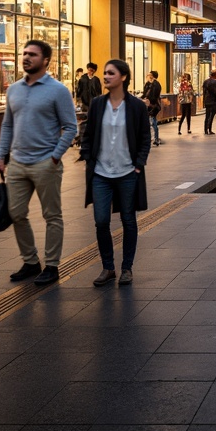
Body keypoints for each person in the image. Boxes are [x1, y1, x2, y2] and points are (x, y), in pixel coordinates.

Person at [0, 40, 77, 285]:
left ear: (45, 60)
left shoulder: (58, 90)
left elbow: (71, 126)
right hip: (17, 163)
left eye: (32, 54)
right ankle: (31, 261)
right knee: (16, 213)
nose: (26, 57)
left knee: (52, 215)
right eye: (25, 53)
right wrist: (1, 157)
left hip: (45, 163)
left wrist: (55, 156)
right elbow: (7, 125)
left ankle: (51, 265)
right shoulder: (14, 89)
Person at [80, 59, 150, 288]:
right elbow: (88, 134)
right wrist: (88, 158)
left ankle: (126, 268)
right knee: (101, 221)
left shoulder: (137, 106)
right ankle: (108, 267)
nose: (105, 76)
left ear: (123, 77)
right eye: (105, 72)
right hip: (101, 173)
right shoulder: (98, 104)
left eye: (110, 73)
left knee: (128, 220)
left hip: (128, 173)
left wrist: (138, 164)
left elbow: (144, 139)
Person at [142, 71, 162, 146]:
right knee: (150, 122)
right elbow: (145, 93)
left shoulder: (156, 85)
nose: (148, 76)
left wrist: (149, 102)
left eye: (149, 75)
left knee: (153, 121)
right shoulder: (148, 84)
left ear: (153, 76)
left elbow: (154, 96)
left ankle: (156, 139)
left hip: (153, 105)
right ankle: (152, 138)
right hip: (148, 104)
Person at [202, 69, 216, 135]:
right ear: (215, 75)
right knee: (212, 116)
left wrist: (204, 101)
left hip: (207, 101)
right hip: (214, 101)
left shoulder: (205, 82)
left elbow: (204, 92)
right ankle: (209, 129)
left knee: (207, 116)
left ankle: (205, 130)